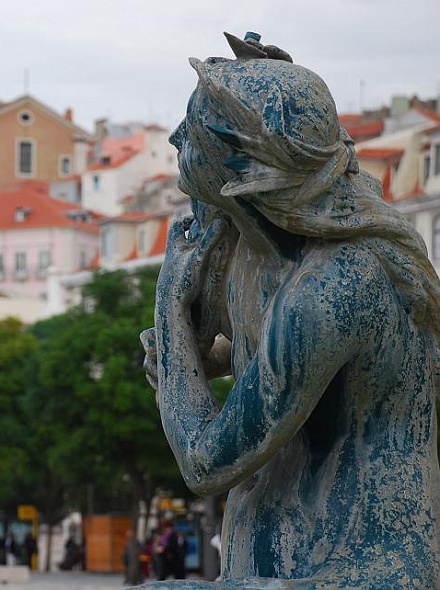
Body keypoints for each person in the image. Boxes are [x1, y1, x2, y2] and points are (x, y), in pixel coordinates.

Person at [143, 31, 440, 588]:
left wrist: (169, 303)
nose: (175, 137)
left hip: (359, 571)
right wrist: (199, 357)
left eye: (194, 132)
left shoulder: (338, 285)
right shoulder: (250, 250)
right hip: (271, 563)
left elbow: (205, 462)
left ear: (248, 173)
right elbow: (277, 360)